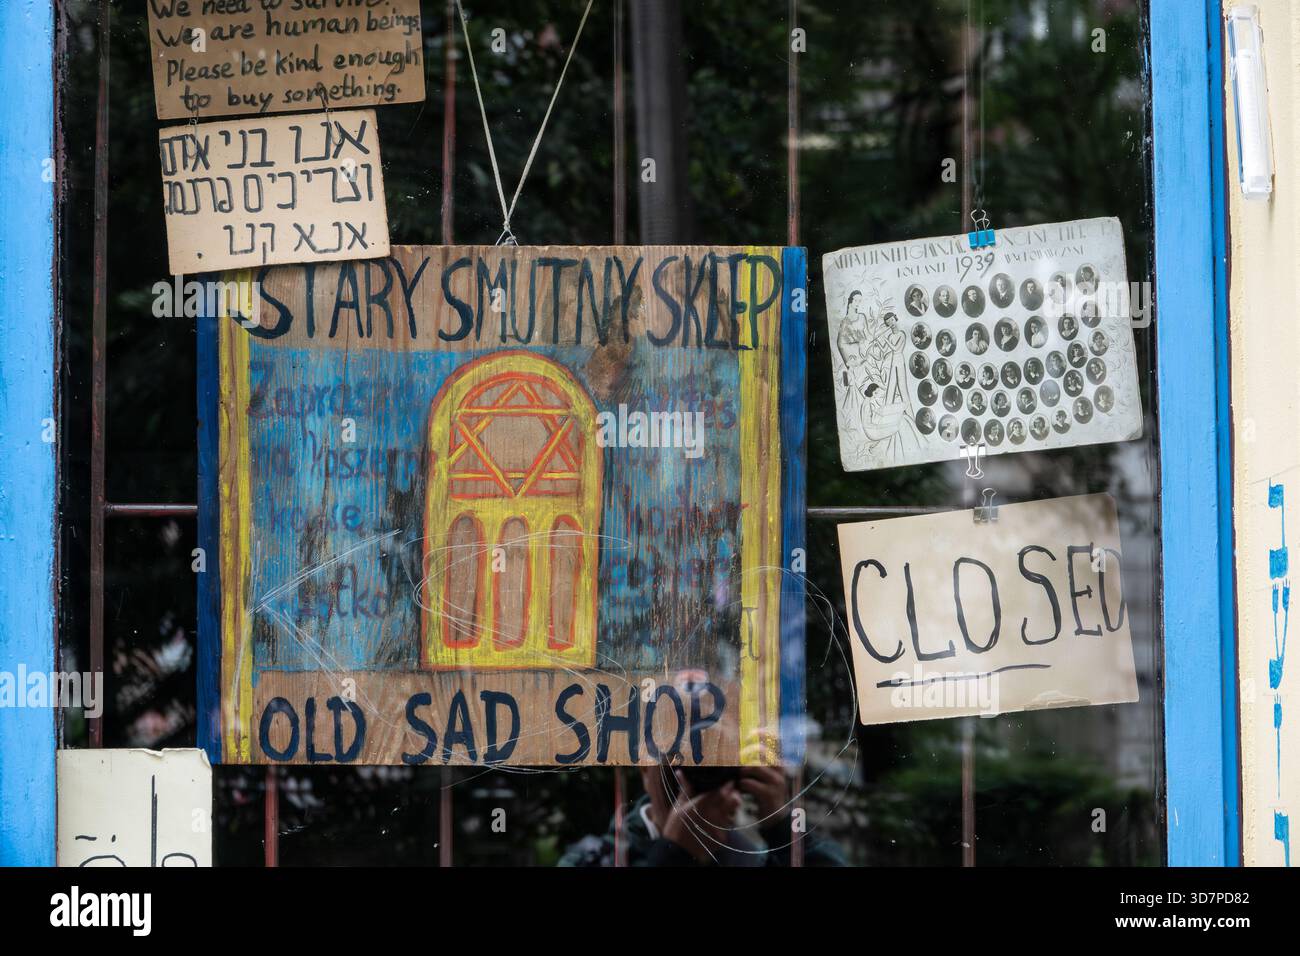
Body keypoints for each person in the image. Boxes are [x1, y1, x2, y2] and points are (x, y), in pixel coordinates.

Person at [557, 763, 847, 867]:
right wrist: (671, 856)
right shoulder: (596, 860)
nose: (699, 775)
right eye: (682, 760)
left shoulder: (753, 860)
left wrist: (783, 827)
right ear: (645, 767)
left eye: (717, 761)